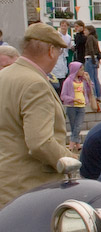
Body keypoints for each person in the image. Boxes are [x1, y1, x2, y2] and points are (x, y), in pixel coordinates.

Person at [0, 23, 74, 209]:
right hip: (28, 190)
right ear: (51, 51)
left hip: (6, 185)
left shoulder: (5, 76)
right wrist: (71, 161)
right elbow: (40, 143)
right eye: (58, 52)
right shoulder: (36, 84)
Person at [61, 61, 99, 152]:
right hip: (71, 106)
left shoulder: (83, 80)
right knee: (74, 126)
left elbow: (91, 88)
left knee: (78, 125)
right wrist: (73, 99)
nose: (82, 72)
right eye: (81, 70)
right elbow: (63, 96)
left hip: (81, 105)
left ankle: (71, 144)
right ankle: (77, 144)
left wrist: (88, 80)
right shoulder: (68, 81)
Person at [84, 25, 101, 100]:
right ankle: (99, 95)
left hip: (90, 58)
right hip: (95, 58)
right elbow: (97, 50)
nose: (84, 32)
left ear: (89, 31)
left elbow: (91, 49)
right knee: (95, 78)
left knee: (90, 78)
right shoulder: (95, 38)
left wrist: (92, 59)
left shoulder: (90, 38)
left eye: (85, 30)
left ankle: (93, 95)